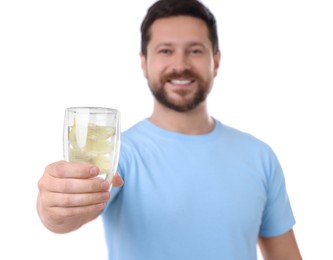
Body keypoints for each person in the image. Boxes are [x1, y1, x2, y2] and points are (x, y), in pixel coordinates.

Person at [37, 0, 302, 259]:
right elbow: (67, 217)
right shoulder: (121, 154)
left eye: (195, 50)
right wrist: (54, 208)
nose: (180, 65)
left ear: (216, 61)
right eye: (165, 51)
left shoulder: (259, 156)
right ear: (144, 62)